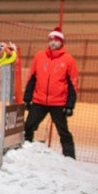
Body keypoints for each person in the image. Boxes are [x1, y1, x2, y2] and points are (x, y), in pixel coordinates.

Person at [23, 27, 79, 159]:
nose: (53, 43)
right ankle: (24, 152)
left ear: (62, 42)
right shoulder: (39, 56)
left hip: (58, 103)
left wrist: (70, 105)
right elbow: (32, 78)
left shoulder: (68, 60)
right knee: (28, 127)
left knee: (63, 132)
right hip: (39, 100)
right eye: (51, 40)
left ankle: (70, 157)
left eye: (56, 40)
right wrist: (27, 98)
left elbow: (73, 84)